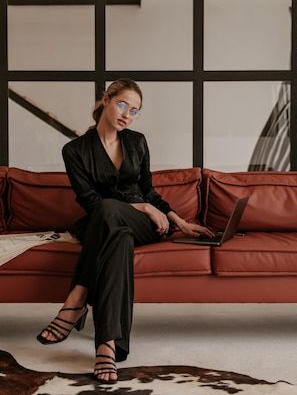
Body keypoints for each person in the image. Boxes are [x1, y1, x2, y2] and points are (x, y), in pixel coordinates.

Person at [36, 78, 213, 384]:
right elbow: (90, 202)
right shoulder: (75, 151)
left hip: (146, 224)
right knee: (115, 232)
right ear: (105, 100)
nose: (127, 114)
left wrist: (178, 220)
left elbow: (148, 191)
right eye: (122, 105)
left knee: (111, 216)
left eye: (134, 111)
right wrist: (142, 207)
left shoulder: (137, 142)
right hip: (105, 219)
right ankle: (107, 344)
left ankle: (76, 300)